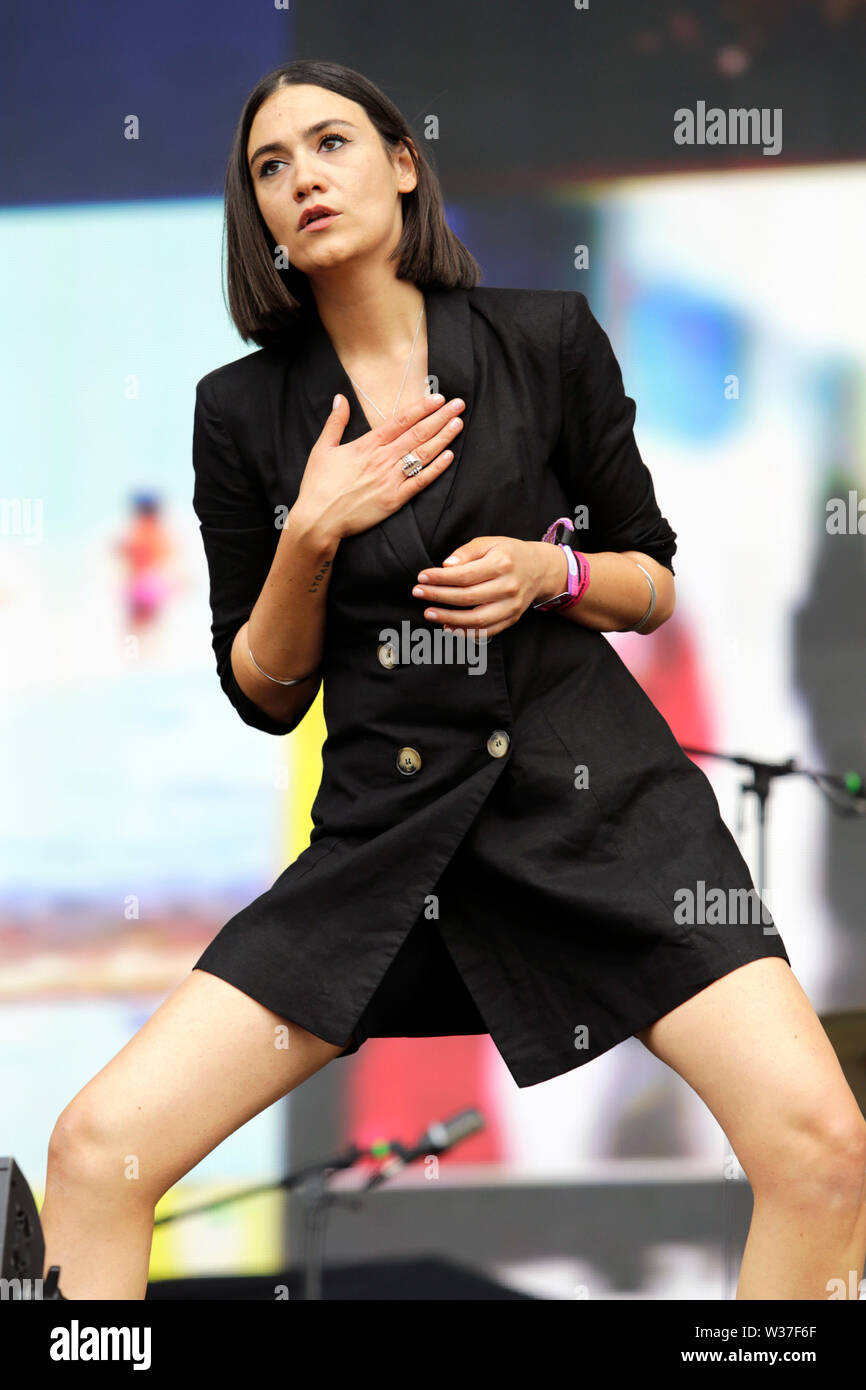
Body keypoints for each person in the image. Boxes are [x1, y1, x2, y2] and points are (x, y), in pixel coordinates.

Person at [40, 59, 866, 1302]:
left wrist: (554, 573)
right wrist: (311, 533)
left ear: (402, 162)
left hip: (601, 814)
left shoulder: (544, 340)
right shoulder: (241, 412)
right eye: (270, 165)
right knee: (97, 1151)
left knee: (820, 1147)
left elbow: (651, 577)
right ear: (257, 215)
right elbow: (262, 690)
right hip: (391, 837)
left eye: (330, 144)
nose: (303, 177)